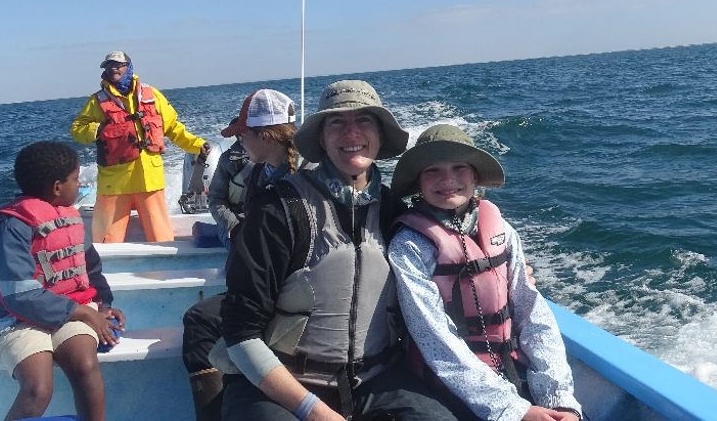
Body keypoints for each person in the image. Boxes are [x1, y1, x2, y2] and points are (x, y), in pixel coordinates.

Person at [217, 80, 466, 421]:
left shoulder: (397, 211)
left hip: (377, 381)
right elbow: (239, 330)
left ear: (380, 134)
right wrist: (313, 411)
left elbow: (452, 264)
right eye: (337, 122)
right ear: (321, 138)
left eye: (364, 120)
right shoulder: (278, 209)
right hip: (282, 383)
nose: (352, 133)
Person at [387, 125, 582, 421]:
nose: (448, 179)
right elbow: (434, 338)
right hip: (449, 382)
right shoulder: (409, 245)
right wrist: (514, 410)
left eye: (459, 167)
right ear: (418, 183)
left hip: (511, 366)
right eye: (432, 170)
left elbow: (533, 316)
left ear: (476, 176)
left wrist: (558, 400)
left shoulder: (501, 229)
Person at [0, 141, 127, 421]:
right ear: (58, 187)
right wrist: (84, 312)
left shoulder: (70, 220)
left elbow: (91, 268)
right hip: (19, 320)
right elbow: (19, 294)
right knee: (38, 388)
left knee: (85, 366)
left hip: (72, 313)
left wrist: (101, 305)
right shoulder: (12, 226)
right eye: (76, 179)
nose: (79, 185)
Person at [183, 89, 298, 421]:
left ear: (264, 136)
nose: (239, 143)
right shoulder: (266, 171)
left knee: (202, 320)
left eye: (243, 135)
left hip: (286, 295)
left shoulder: (300, 180)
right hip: (267, 286)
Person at [70, 50, 211, 243]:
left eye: (118, 65)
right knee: (106, 242)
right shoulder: (97, 101)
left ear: (129, 67)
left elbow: (173, 128)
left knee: (161, 240)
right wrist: (99, 128)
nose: (113, 69)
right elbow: (77, 130)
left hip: (149, 181)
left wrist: (197, 145)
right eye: (109, 66)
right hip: (114, 184)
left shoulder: (151, 95)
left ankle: (163, 272)